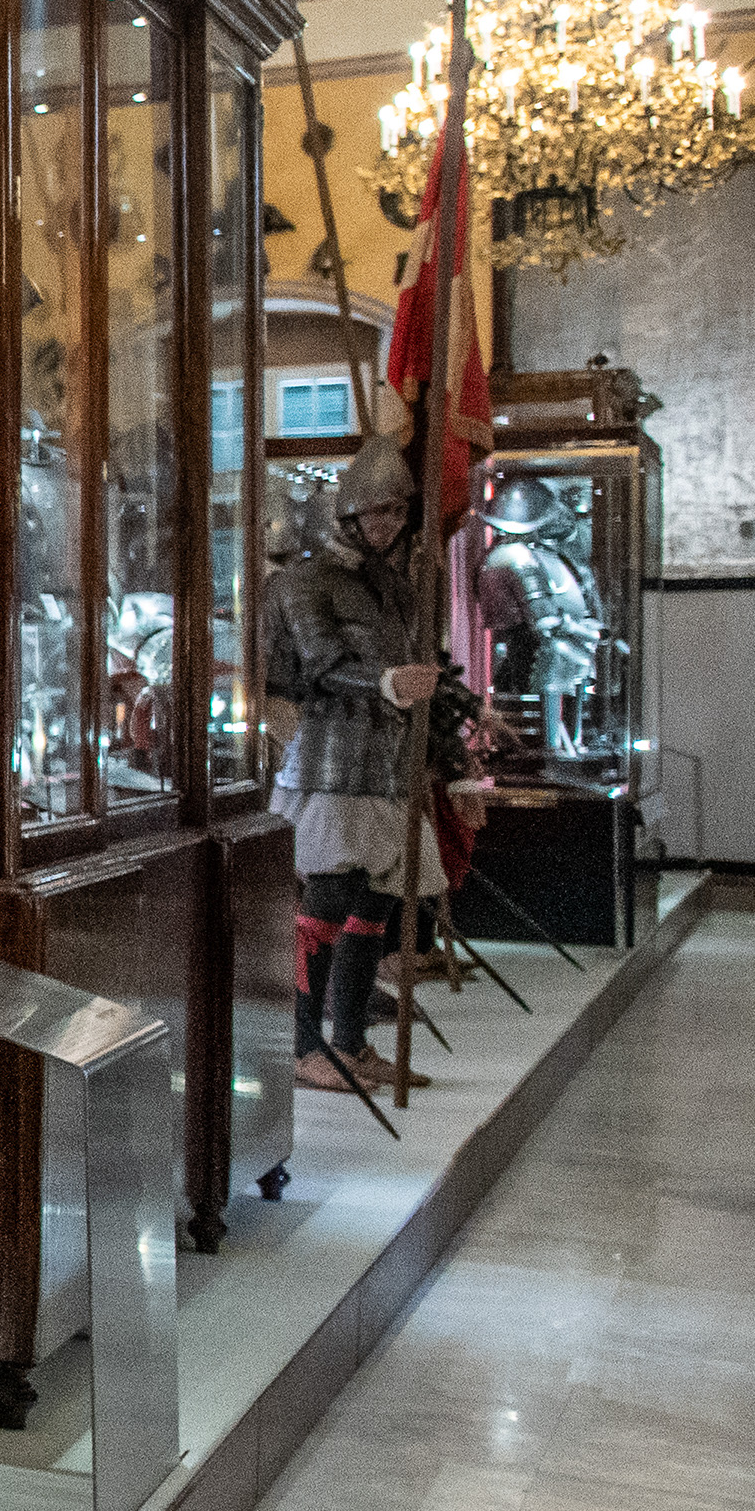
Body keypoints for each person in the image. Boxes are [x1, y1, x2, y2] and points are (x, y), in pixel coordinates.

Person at [269, 434, 470, 1092]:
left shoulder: (402, 590)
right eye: (374, 512)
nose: (386, 524)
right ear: (346, 513)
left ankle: (350, 1043)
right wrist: (386, 684)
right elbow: (320, 666)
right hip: (332, 765)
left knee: (376, 909)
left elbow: (424, 687)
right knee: (324, 902)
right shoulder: (303, 583)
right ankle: (303, 1047)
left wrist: (458, 767)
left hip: (390, 771)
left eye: (396, 512)